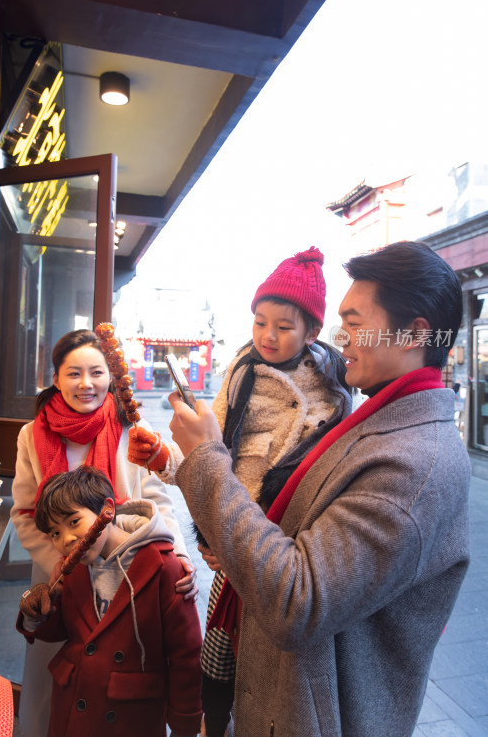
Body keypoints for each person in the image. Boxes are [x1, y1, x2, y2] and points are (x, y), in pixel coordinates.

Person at [167, 241, 471, 737]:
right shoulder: (379, 421)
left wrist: (204, 461)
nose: (340, 336)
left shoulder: (414, 465)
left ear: (415, 334)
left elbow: (297, 599)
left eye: (353, 322)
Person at [128, 247, 353, 737]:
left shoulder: (335, 392)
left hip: (284, 560)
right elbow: (211, 461)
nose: (267, 336)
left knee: (272, 687)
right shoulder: (239, 374)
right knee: (216, 671)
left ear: (312, 331)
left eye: (284, 326)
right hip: (228, 549)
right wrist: (165, 458)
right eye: (259, 322)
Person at [11, 328, 198, 737]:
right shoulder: (33, 434)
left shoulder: (131, 425)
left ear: (110, 375)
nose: (86, 383)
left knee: (124, 675)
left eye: (96, 372)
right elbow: (25, 512)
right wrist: (67, 568)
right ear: (56, 377)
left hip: (130, 572)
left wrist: (179, 553)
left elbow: (157, 497)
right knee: (56, 678)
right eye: (73, 373)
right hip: (60, 576)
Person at [17, 467, 203, 737]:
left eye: (73, 522)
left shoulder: (163, 567)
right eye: (55, 533)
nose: (67, 540)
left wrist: (185, 724)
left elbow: (186, 654)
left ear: (107, 509)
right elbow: (67, 630)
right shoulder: (74, 568)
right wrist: (37, 612)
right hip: (73, 704)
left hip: (130, 714)